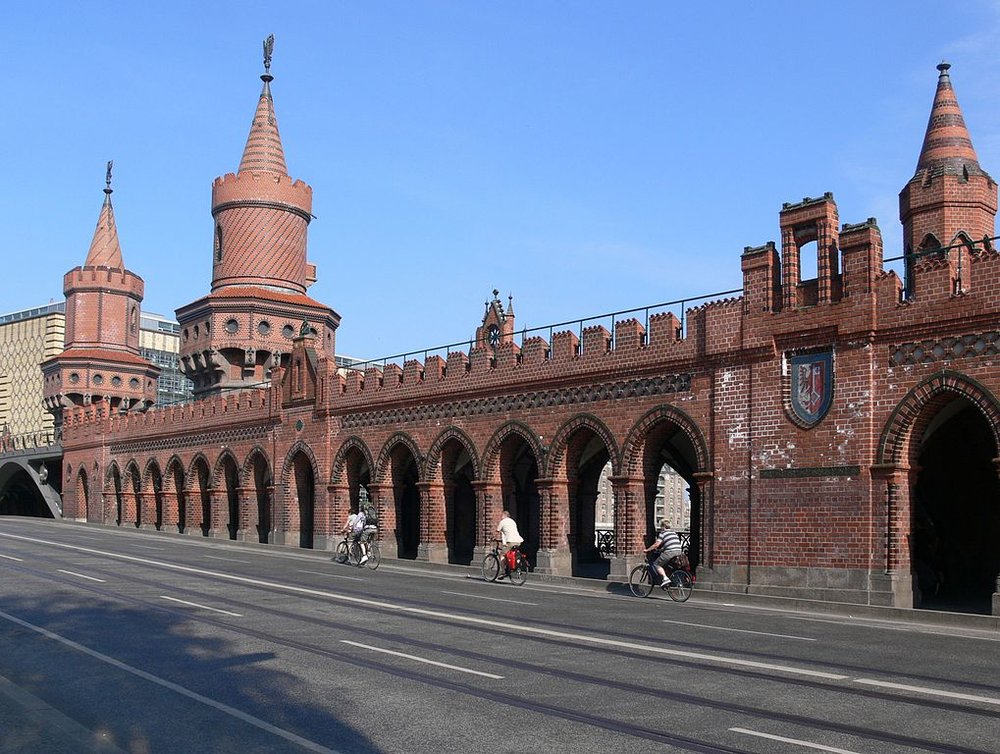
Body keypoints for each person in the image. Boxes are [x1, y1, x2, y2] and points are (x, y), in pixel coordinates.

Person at [644, 519, 687, 589]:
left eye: (661, 526)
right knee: (666, 563)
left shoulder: (663, 533)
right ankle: (668, 577)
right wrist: (661, 550)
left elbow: (656, 545)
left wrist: (647, 550)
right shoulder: (674, 533)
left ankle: (665, 578)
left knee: (656, 564)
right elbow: (669, 544)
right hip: (679, 552)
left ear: (663, 526)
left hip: (670, 552)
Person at [495, 510, 524, 579]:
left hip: (511, 541)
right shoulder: (512, 521)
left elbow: (497, 531)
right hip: (518, 541)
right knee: (511, 554)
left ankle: (503, 572)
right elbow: (508, 532)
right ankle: (514, 567)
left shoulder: (503, 522)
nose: (501, 517)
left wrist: (493, 538)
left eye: (502, 515)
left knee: (502, 554)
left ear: (504, 515)